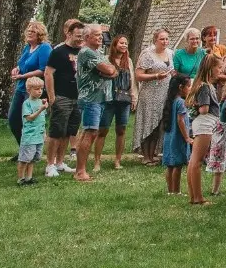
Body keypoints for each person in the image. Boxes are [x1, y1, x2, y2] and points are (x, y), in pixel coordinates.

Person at [73, 23, 117, 183]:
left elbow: (113, 70)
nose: (101, 37)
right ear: (86, 37)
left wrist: (109, 70)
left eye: (101, 35)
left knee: (91, 132)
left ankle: (81, 169)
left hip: (100, 98)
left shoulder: (97, 52)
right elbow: (110, 70)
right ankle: (80, 171)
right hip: (91, 99)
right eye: (97, 35)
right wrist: (108, 70)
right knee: (89, 132)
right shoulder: (86, 52)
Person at [132, 28, 173, 165]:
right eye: (162, 39)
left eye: (167, 38)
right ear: (155, 40)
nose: (165, 41)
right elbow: (138, 75)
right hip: (150, 94)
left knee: (158, 125)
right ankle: (146, 156)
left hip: (164, 94)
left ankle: (153, 153)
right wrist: (155, 76)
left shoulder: (170, 53)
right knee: (148, 124)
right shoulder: (148, 54)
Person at [8, 20, 51, 145]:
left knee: (31, 120)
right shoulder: (27, 47)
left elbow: (44, 70)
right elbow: (22, 64)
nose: (29, 33)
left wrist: (23, 76)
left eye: (33, 31)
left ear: (40, 34)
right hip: (21, 88)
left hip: (35, 89)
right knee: (13, 119)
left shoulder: (44, 48)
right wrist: (16, 69)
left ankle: (32, 149)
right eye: (28, 30)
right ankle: (23, 147)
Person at [186, 54, 220, 205]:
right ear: (210, 69)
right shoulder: (205, 87)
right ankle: (198, 198)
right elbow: (204, 109)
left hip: (202, 124)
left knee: (193, 161)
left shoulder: (201, 85)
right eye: (218, 67)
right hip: (205, 124)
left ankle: (193, 197)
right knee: (197, 162)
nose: (220, 70)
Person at [100, 35, 135, 170]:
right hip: (109, 99)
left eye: (126, 43)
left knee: (122, 129)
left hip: (124, 99)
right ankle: (97, 161)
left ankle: (117, 161)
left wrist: (134, 97)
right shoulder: (106, 60)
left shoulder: (129, 61)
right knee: (103, 130)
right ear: (114, 45)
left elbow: (132, 80)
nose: (124, 45)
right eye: (121, 43)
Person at [161, 74, 192, 196]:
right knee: (178, 165)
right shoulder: (181, 102)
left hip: (169, 137)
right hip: (178, 138)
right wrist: (187, 137)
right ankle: (176, 191)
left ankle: (170, 190)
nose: (190, 88)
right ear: (181, 87)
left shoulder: (171, 101)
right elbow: (180, 120)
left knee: (170, 165)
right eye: (188, 86)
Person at [17, 75, 47, 186]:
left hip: (38, 136)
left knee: (33, 159)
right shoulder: (27, 103)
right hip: (29, 137)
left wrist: (44, 133)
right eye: (36, 89)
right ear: (29, 90)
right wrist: (41, 109)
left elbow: (42, 120)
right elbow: (29, 118)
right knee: (25, 159)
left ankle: (29, 178)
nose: (40, 91)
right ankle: (21, 179)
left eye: (41, 88)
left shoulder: (40, 102)